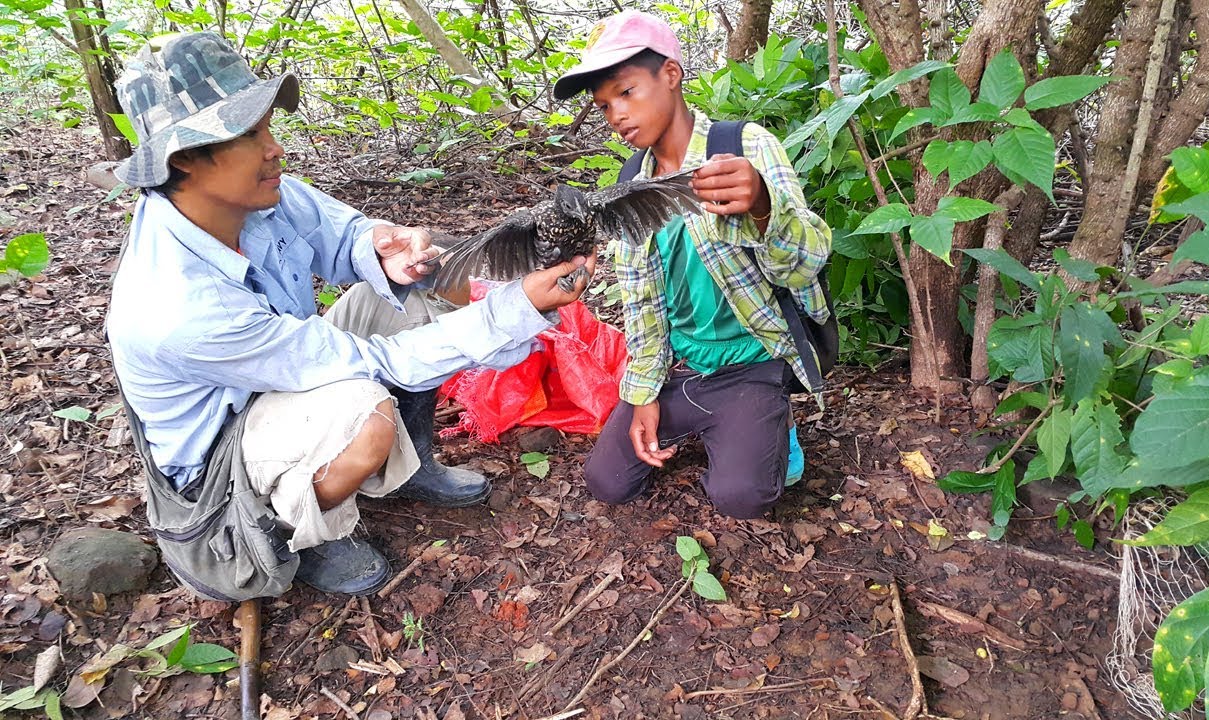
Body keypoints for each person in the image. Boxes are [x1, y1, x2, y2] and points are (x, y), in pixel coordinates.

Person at [107, 32, 595, 596]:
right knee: (365, 408)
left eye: (267, 127)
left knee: (409, 293)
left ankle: (409, 469)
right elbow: (374, 364)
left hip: (277, 374)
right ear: (185, 159)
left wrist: (388, 249)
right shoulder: (177, 307)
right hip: (225, 455)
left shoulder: (258, 198)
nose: (274, 148)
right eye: (250, 134)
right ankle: (300, 534)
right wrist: (517, 307)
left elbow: (342, 236)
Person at [555, 11, 832, 519]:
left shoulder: (742, 147)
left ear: (671, 74)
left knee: (742, 497)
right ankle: (718, 423)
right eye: (604, 105)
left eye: (627, 92)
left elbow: (807, 262)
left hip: (752, 360)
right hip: (681, 366)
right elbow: (641, 297)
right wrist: (642, 393)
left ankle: (768, 422)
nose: (616, 114)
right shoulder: (631, 182)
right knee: (608, 481)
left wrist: (764, 205)